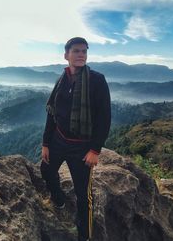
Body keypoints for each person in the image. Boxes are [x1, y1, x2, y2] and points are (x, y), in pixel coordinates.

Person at [40, 37, 111, 241]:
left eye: (84, 51)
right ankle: (59, 199)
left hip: (82, 147)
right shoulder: (62, 80)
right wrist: (46, 143)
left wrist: (95, 150)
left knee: (83, 195)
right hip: (59, 140)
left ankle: (84, 236)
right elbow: (52, 113)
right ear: (66, 55)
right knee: (46, 170)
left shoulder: (96, 80)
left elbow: (104, 117)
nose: (81, 55)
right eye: (76, 51)